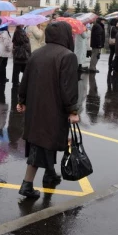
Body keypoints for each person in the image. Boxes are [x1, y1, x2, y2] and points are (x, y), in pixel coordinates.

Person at [17, 22, 79, 199]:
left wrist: (22, 100)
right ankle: (27, 184)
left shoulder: (37, 53)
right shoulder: (67, 56)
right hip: (54, 109)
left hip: (36, 107)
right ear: (66, 36)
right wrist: (73, 110)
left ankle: (50, 174)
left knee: (43, 141)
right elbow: (69, 88)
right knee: (41, 143)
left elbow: (25, 80)